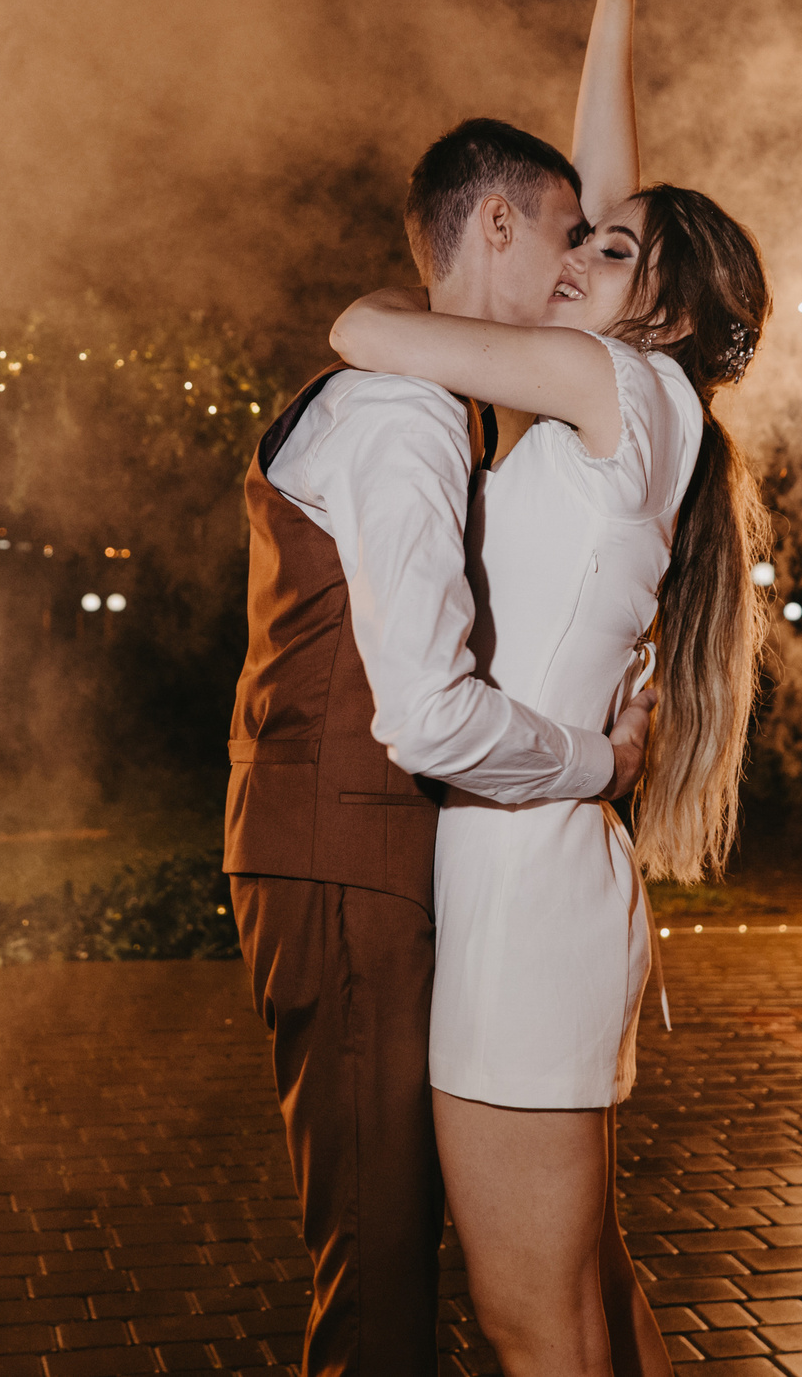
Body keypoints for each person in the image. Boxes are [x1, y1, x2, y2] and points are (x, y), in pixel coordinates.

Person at [328, 0, 773, 1377]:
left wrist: (374, 322)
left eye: (606, 253)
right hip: (545, 874)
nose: (573, 250)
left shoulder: (621, 389)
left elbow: (370, 334)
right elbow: (606, 199)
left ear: (655, 308)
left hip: (525, 895)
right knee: (583, 1305)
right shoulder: (642, 398)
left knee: (537, 1330)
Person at [224, 118, 660, 1372]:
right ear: (499, 226)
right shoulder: (409, 414)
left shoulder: (426, 405)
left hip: (339, 847)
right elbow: (424, 711)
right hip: (346, 853)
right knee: (379, 1270)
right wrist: (597, 765)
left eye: (601, 249)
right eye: (565, 238)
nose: (577, 271)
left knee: (393, 1247)